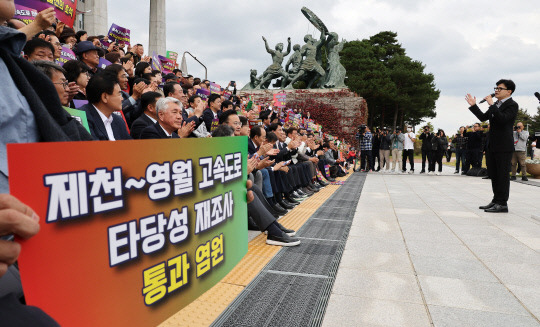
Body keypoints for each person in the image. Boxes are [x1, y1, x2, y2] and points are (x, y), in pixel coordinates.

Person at [465, 79, 518, 213]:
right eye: (496, 88)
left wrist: (492, 104)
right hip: (492, 145)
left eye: (500, 88)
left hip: (504, 146)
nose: (496, 90)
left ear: (509, 91)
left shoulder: (512, 105)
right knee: (494, 174)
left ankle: (502, 203)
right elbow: (483, 117)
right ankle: (496, 200)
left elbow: (503, 119)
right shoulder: (497, 105)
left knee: (502, 175)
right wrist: (473, 106)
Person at [80, 71, 131, 140]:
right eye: (119, 94)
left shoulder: (118, 120)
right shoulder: (83, 118)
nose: (122, 99)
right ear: (104, 97)